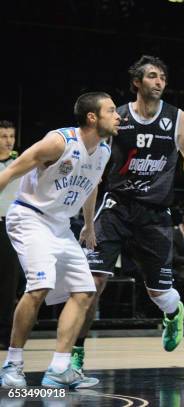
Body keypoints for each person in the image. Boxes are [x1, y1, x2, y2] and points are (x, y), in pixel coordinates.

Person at [73, 55, 184, 372]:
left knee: (159, 292)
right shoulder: (119, 117)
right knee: (92, 284)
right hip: (116, 207)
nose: (160, 81)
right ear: (137, 82)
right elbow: (95, 164)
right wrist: (87, 219)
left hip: (154, 214)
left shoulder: (177, 118)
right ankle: (76, 355)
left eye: (163, 77)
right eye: (152, 76)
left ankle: (172, 312)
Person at [0, 92, 118, 388]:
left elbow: (90, 187)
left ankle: (59, 369)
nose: (119, 116)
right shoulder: (59, 142)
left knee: (84, 291)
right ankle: (12, 365)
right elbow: (13, 169)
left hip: (61, 225)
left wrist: (89, 225)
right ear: (93, 117)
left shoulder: (103, 151)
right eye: (112, 111)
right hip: (30, 216)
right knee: (40, 285)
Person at [0, 120, 21, 350]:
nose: (8, 141)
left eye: (11, 136)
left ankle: (6, 335)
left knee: (8, 285)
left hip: (9, 228)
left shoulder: (20, 164)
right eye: (3, 136)